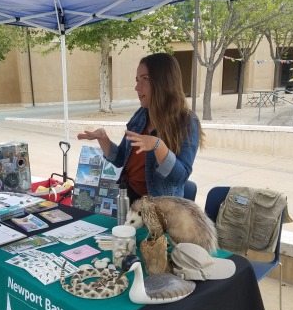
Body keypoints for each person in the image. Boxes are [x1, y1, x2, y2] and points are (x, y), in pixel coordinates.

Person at [78, 53, 204, 203]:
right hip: (129, 200)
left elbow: (179, 178)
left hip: (161, 210)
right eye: (137, 80)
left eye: (145, 79)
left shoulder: (188, 121)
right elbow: (119, 159)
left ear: (164, 82)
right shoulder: (141, 115)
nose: (137, 87)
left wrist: (158, 146)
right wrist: (103, 139)